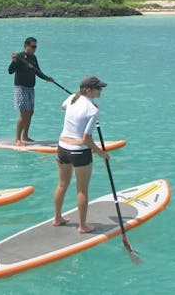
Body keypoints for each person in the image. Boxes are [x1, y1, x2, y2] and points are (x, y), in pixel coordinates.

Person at [53, 75, 110, 233]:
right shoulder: (93, 110)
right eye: (98, 88)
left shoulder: (72, 98)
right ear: (89, 90)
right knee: (82, 190)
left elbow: (63, 106)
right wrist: (101, 153)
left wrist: (81, 102)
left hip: (62, 147)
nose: (101, 90)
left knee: (62, 185)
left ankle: (57, 218)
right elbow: (86, 139)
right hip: (79, 152)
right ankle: (82, 226)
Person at [8, 37, 54, 146]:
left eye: (36, 47)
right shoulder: (19, 57)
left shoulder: (33, 57)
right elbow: (10, 71)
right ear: (26, 46)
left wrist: (47, 78)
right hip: (21, 88)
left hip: (30, 88)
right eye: (33, 46)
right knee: (24, 114)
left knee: (30, 113)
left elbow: (37, 71)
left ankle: (25, 136)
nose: (34, 49)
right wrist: (14, 61)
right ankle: (17, 139)